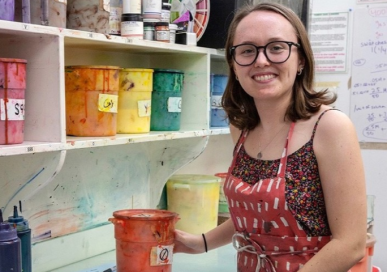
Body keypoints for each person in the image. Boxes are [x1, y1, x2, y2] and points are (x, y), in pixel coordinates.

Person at [174, 2, 367, 272]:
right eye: (247, 50)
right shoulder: (241, 128)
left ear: (300, 59)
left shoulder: (329, 127)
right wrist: (200, 242)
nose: (261, 60)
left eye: (276, 47)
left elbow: (351, 243)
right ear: (234, 64)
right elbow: (257, 217)